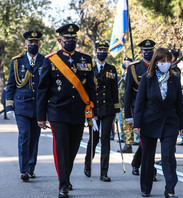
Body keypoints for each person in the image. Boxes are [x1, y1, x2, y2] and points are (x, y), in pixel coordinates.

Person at [37, 24, 96, 198]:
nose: (70, 41)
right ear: (59, 40)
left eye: (73, 38)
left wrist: (94, 111)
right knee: (62, 148)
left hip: (78, 111)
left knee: (73, 149)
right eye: (67, 39)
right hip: (57, 111)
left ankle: (66, 176)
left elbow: (91, 88)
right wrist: (41, 116)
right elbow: (42, 90)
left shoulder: (85, 59)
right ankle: (63, 185)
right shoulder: (51, 60)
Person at [133, 48, 183, 198]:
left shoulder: (175, 79)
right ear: (155, 62)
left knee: (168, 155)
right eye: (162, 61)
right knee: (147, 156)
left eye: (168, 61)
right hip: (149, 122)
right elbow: (140, 103)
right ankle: (145, 187)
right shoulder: (147, 78)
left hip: (169, 122)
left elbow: (178, 104)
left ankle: (170, 189)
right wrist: (137, 124)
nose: (165, 64)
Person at [6, 30, 44, 181]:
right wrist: (9, 106)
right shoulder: (17, 62)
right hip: (21, 106)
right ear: (25, 44)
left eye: (35, 42)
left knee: (34, 138)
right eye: (30, 42)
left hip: (38, 106)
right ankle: (24, 170)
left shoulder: (44, 60)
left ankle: (31, 167)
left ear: (39, 44)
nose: (33, 45)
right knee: (24, 136)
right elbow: (11, 85)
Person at [83, 40, 120, 181]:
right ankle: (87, 165)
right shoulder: (89, 70)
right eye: (100, 50)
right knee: (94, 140)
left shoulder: (111, 69)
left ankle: (104, 172)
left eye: (104, 51)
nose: (102, 53)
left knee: (105, 140)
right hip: (94, 110)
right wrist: (89, 113)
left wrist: (116, 110)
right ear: (95, 52)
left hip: (108, 109)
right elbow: (86, 92)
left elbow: (114, 90)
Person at [124, 39, 157, 179]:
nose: (148, 53)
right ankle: (150, 170)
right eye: (146, 51)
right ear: (141, 51)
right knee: (146, 140)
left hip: (155, 109)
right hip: (139, 109)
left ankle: (136, 163)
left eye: (150, 51)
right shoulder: (133, 68)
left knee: (149, 140)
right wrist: (128, 114)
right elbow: (127, 93)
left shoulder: (158, 66)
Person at [117, 57, 134, 153]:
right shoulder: (124, 74)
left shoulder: (131, 74)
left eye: (127, 62)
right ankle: (127, 144)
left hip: (129, 104)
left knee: (128, 125)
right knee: (124, 124)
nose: (125, 63)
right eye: (124, 62)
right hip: (123, 104)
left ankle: (128, 145)